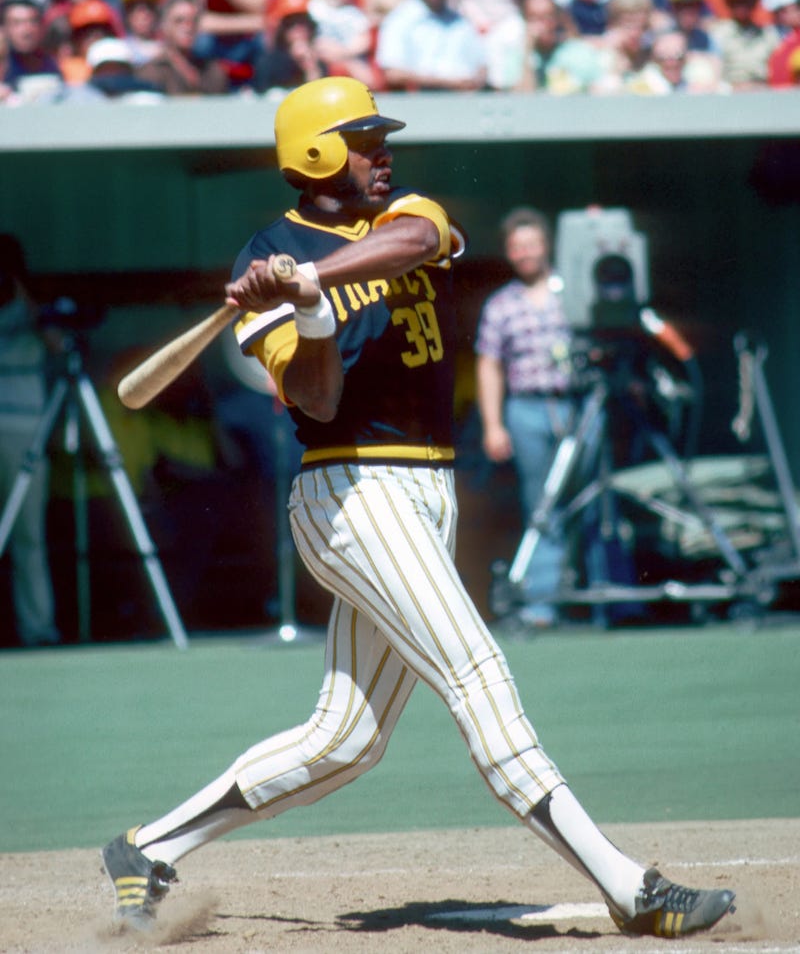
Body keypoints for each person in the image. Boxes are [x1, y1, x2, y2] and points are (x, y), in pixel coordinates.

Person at [100, 75, 736, 941]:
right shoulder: (267, 250)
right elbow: (317, 400)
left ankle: (147, 848)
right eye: (364, 140)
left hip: (423, 490)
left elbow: (419, 240)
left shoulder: (400, 215)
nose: (382, 152)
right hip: (351, 494)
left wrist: (309, 278)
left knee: (344, 741)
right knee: (478, 674)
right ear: (317, 153)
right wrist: (307, 312)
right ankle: (630, 888)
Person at [474, 208, 578, 628]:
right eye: (517, 247)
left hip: (577, 407)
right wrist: (493, 424)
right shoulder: (501, 305)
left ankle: (603, 596)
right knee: (541, 501)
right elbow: (489, 364)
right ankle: (543, 602)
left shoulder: (573, 292)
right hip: (527, 410)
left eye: (531, 244)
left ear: (546, 245)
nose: (525, 253)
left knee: (590, 499)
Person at [0, 234, 61, 647]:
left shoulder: (33, 307)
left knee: (28, 537)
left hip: (24, 429)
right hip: (16, 425)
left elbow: (57, 344)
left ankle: (37, 628)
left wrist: (25, 297)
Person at [374, 0, 487, 90]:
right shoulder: (399, 20)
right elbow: (393, 74)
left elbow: (481, 64)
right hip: (419, 99)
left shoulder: (460, 22)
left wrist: (475, 83)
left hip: (464, 99)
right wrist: (449, 83)